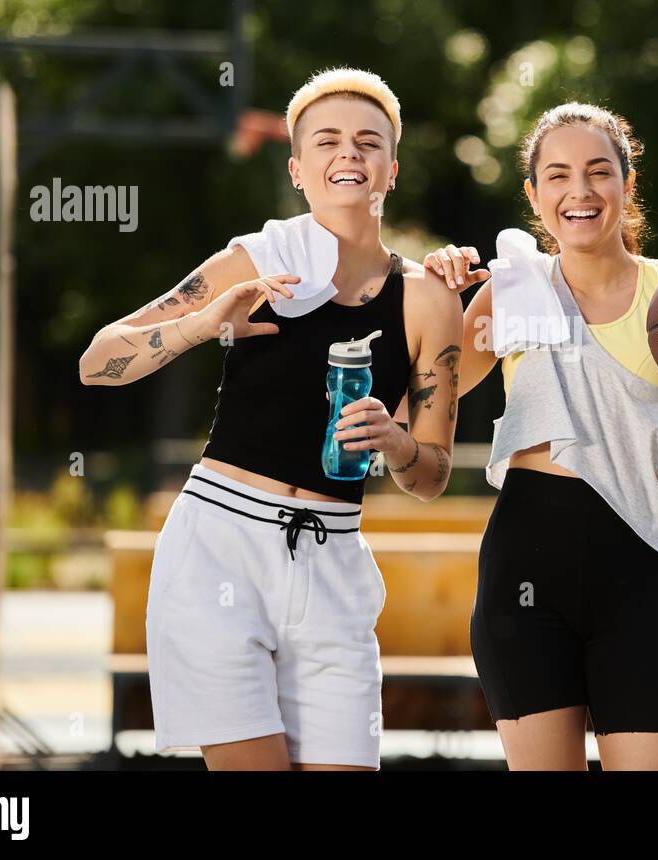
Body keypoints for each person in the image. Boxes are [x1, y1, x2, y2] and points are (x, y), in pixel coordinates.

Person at [80, 67, 463, 770]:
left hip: (334, 563)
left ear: (392, 168)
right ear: (297, 168)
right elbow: (99, 361)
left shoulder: (429, 299)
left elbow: (432, 476)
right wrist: (202, 325)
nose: (348, 153)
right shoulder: (252, 262)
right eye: (327, 140)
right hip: (218, 550)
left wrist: (397, 443)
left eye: (368, 141)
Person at [424, 102, 658, 770]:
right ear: (534, 194)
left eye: (598, 171)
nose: (579, 191)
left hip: (635, 577)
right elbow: (430, 390)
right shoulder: (512, 290)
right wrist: (435, 296)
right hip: (524, 576)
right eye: (557, 176)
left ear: (626, 182)